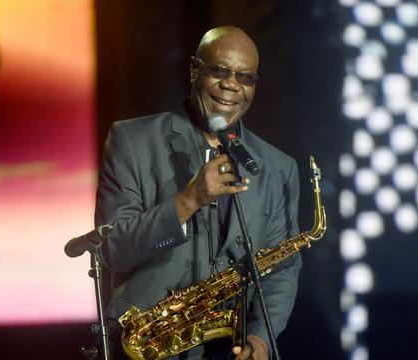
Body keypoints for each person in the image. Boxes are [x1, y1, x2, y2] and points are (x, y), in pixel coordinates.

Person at [95, 26, 301, 359]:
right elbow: (112, 250)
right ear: (194, 69)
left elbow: (282, 270)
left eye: (245, 77)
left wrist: (262, 339)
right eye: (219, 71)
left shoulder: (278, 168)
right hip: (145, 348)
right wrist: (188, 201)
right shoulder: (132, 141)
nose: (231, 85)